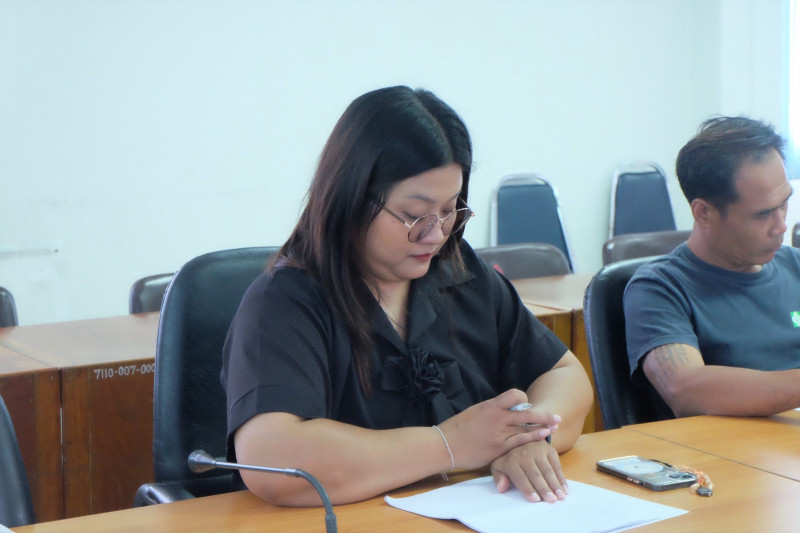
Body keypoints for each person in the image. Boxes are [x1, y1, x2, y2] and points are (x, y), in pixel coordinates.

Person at [221, 85, 592, 507]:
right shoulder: (284, 302)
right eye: (415, 216)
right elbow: (271, 459)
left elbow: (565, 374)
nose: (435, 235)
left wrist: (526, 437)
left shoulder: (461, 272)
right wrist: (450, 445)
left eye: (450, 211)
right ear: (352, 198)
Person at [624, 115, 800, 419]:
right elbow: (686, 389)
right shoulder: (659, 288)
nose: (781, 226)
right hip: (732, 446)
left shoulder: (795, 265)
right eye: (762, 215)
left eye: (784, 203)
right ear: (704, 212)